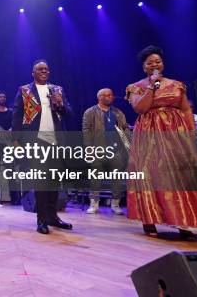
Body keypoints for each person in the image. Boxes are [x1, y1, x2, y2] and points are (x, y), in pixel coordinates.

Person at [125, 45, 197, 239]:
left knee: (182, 175)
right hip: (150, 135)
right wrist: (151, 87)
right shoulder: (135, 87)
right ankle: (149, 219)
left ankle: (184, 222)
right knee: (151, 174)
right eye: (150, 63)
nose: (155, 64)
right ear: (144, 67)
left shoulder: (177, 84)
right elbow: (140, 108)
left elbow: (186, 109)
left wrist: (190, 132)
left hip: (175, 135)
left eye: (158, 61)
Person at [12, 60, 74, 234]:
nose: (44, 71)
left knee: (55, 181)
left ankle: (53, 217)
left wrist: (60, 103)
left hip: (56, 141)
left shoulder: (57, 90)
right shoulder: (24, 90)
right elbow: (17, 117)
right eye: (40, 69)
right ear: (33, 72)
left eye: (46, 69)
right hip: (36, 141)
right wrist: (16, 142)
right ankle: (41, 220)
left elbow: (69, 113)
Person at [82, 89, 129, 214]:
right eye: (107, 95)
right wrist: (88, 148)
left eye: (111, 95)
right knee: (95, 178)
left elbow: (124, 129)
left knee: (117, 177)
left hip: (115, 149)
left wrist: (128, 145)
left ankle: (115, 204)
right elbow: (86, 131)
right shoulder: (90, 112)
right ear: (100, 97)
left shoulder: (118, 112)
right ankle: (94, 204)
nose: (111, 97)